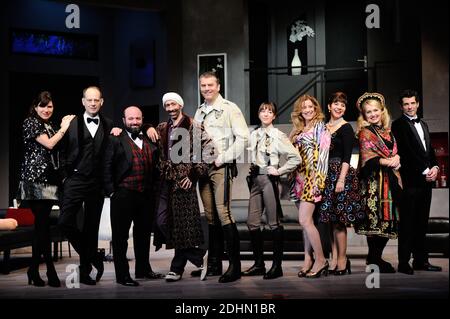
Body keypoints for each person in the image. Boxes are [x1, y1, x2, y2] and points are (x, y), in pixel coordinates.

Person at [191, 71, 250, 283]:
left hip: (221, 167)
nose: (206, 89)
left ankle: (234, 267)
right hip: (203, 170)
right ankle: (214, 264)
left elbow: (243, 138)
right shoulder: (200, 111)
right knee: (210, 216)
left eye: (210, 85)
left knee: (223, 212)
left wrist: (222, 158)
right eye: (203, 85)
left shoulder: (230, 108)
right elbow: (196, 139)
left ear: (218, 86)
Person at [18, 91, 75, 287]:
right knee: (42, 226)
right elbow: (50, 144)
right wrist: (64, 127)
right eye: (42, 106)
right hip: (34, 180)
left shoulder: (49, 125)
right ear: (35, 107)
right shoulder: (30, 122)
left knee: (41, 227)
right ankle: (49, 269)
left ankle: (34, 269)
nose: (46, 110)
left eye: (49, 106)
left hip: (50, 180)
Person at [58, 86, 113, 285]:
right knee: (64, 222)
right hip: (75, 179)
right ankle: (93, 256)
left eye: (96, 100)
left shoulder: (108, 124)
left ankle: (84, 272)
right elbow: (61, 151)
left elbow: (111, 153)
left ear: (101, 102)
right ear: (83, 101)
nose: (92, 103)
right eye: (89, 100)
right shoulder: (70, 123)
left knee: (91, 228)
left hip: (96, 183)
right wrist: (65, 177)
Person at [154, 92, 212, 282]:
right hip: (165, 181)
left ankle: (176, 269)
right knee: (163, 221)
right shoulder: (162, 128)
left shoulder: (193, 126)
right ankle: (197, 256)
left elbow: (208, 151)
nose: (170, 108)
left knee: (181, 226)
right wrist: (146, 127)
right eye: (167, 105)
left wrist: (194, 175)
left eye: (173, 105)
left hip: (183, 181)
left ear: (180, 105)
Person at [103, 106, 163, 286]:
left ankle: (143, 269)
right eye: (131, 119)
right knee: (120, 237)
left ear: (142, 119)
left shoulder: (149, 139)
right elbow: (106, 166)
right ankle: (122, 276)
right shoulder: (115, 139)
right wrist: (111, 191)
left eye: (138, 118)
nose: (134, 122)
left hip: (145, 194)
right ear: (123, 120)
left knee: (143, 234)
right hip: (123, 194)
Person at [243, 102, 301, 279]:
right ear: (259, 114)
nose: (266, 113)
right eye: (262, 110)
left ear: (274, 116)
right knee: (252, 222)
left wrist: (280, 170)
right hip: (255, 181)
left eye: (269, 111)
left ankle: (277, 266)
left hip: (269, 180)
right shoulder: (254, 134)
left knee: (273, 223)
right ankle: (259, 264)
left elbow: (296, 158)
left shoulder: (278, 135)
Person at [391, 89, 442, 274]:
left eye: (412, 103)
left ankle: (421, 261)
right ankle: (404, 262)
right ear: (401, 106)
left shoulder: (425, 125)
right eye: (406, 104)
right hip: (410, 182)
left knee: (422, 223)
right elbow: (405, 153)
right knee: (407, 223)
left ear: (418, 104)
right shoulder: (397, 125)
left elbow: (429, 152)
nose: (410, 107)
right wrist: (425, 170)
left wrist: (435, 168)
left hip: (426, 183)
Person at [318, 92, 365, 276]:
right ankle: (334, 257)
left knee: (339, 221)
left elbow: (347, 156)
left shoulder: (345, 128)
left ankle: (343, 260)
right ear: (329, 106)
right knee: (329, 221)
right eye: (336, 104)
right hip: (325, 175)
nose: (339, 107)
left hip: (340, 174)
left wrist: (341, 179)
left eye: (343, 105)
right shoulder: (323, 127)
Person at [355, 92, 401, 273]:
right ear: (364, 115)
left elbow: (395, 151)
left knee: (388, 222)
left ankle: (374, 258)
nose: (373, 114)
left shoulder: (388, 132)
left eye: (376, 110)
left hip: (390, 182)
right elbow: (368, 158)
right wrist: (386, 161)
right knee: (374, 223)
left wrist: (396, 157)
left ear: (382, 111)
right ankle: (374, 259)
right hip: (373, 184)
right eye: (369, 112)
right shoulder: (365, 132)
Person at [289, 94, 331, 278]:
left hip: (313, 179)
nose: (307, 110)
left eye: (310, 107)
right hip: (298, 179)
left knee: (305, 220)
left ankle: (321, 259)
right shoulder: (297, 130)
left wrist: (318, 182)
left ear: (316, 109)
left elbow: (323, 157)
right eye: (303, 107)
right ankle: (308, 259)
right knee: (306, 224)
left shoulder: (321, 128)